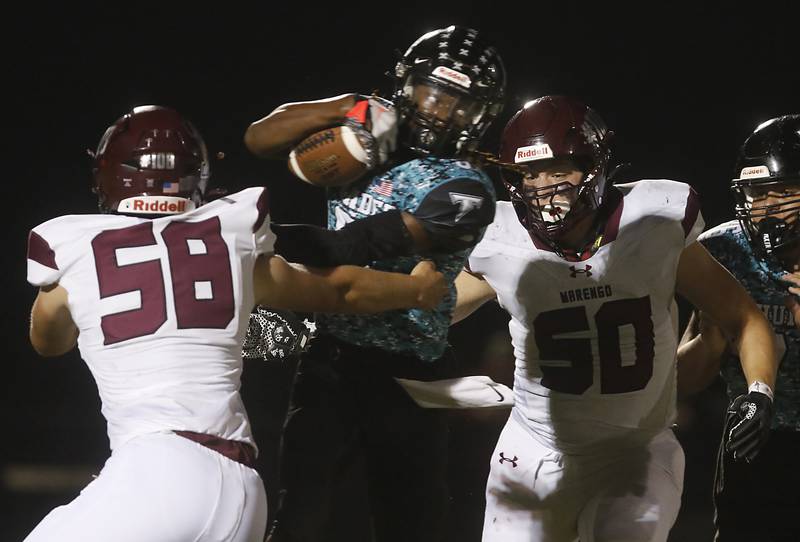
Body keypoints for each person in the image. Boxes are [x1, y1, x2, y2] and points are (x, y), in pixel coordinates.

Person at [24, 105, 447, 542]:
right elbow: (339, 290)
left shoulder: (75, 250)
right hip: (242, 488)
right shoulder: (228, 241)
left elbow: (48, 342)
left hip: (159, 471)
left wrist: (57, 294)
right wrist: (415, 289)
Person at [452, 95, 779, 542]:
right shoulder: (500, 240)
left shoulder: (655, 221)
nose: (543, 188)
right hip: (532, 450)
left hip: (636, 452)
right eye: (530, 174)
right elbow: (429, 308)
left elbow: (743, 318)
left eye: (558, 171)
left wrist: (760, 391)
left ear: (596, 165)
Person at [244, 25, 505, 542]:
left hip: (410, 371)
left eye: (458, 104)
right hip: (330, 357)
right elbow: (258, 137)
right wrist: (347, 106)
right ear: (405, 85)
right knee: (297, 519)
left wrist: (250, 238)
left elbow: (354, 247)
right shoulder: (365, 142)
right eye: (433, 92)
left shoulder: (468, 188)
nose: (438, 111)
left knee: (410, 525)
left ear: (480, 117)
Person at [677, 113, 799, 541]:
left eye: (780, 192)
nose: (764, 208)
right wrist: (714, 336)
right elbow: (684, 382)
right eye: (754, 193)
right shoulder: (724, 248)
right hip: (756, 442)